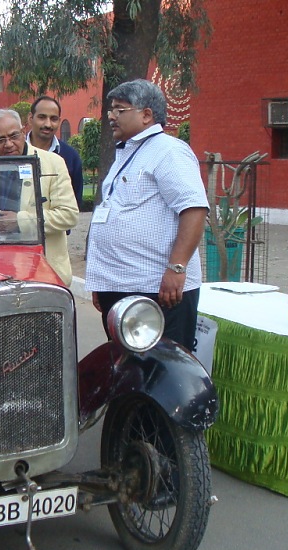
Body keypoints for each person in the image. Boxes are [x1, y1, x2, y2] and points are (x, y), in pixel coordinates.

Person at [85, 79, 209, 350]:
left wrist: (176, 268)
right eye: (111, 109)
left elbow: (194, 209)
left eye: (120, 109)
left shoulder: (169, 151)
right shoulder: (127, 153)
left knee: (162, 369)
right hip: (120, 284)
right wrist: (102, 281)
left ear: (146, 115)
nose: (111, 116)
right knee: (125, 367)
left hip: (158, 288)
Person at [0, 108, 79, 286]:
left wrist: (20, 220)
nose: (8, 144)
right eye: (0, 139)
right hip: (1, 269)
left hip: (42, 270)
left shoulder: (52, 163)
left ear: (23, 130)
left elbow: (69, 216)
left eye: (13, 136)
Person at [26, 96, 84, 210]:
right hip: (19, 226)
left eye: (53, 119)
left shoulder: (70, 156)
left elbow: (74, 203)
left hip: (57, 227)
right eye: (42, 117)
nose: (48, 124)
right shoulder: (16, 154)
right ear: (30, 118)